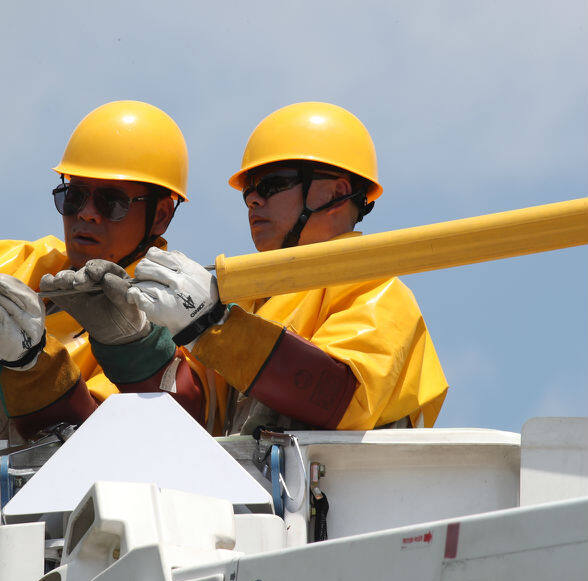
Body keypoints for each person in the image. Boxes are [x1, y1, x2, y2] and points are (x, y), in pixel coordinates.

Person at [0, 101, 209, 441]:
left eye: (111, 202)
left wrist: (31, 364)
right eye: (74, 196)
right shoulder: (38, 267)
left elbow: (123, 442)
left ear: (161, 214)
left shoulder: (179, 309)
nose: (87, 214)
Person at [125, 102, 448, 432]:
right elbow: (194, 416)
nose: (253, 200)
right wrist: (128, 341)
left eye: (272, 184)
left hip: (338, 483)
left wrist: (213, 324)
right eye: (250, 190)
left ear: (336, 193)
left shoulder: (379, 293)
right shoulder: (250, 303)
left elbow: (339, 399)